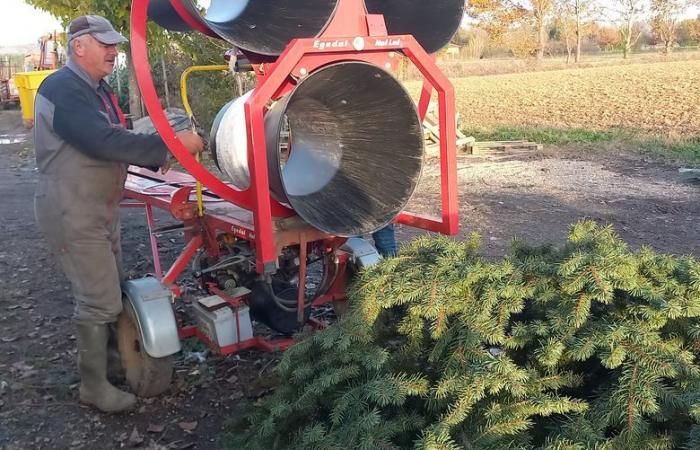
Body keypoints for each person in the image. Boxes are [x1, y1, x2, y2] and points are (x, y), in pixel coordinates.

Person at [33, 15, 204, 413]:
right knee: (98, 299)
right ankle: (94, 386)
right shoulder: (62, 89)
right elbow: (103, 140)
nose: (114, 50)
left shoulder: (96, 89)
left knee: (110, 287)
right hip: (72, 209)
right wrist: (170, 147)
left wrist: (159, 152)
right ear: (79, 47)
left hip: (96, 208)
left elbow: (123, 133)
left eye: (115, 43)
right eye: (105, 43)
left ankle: (112, 364)